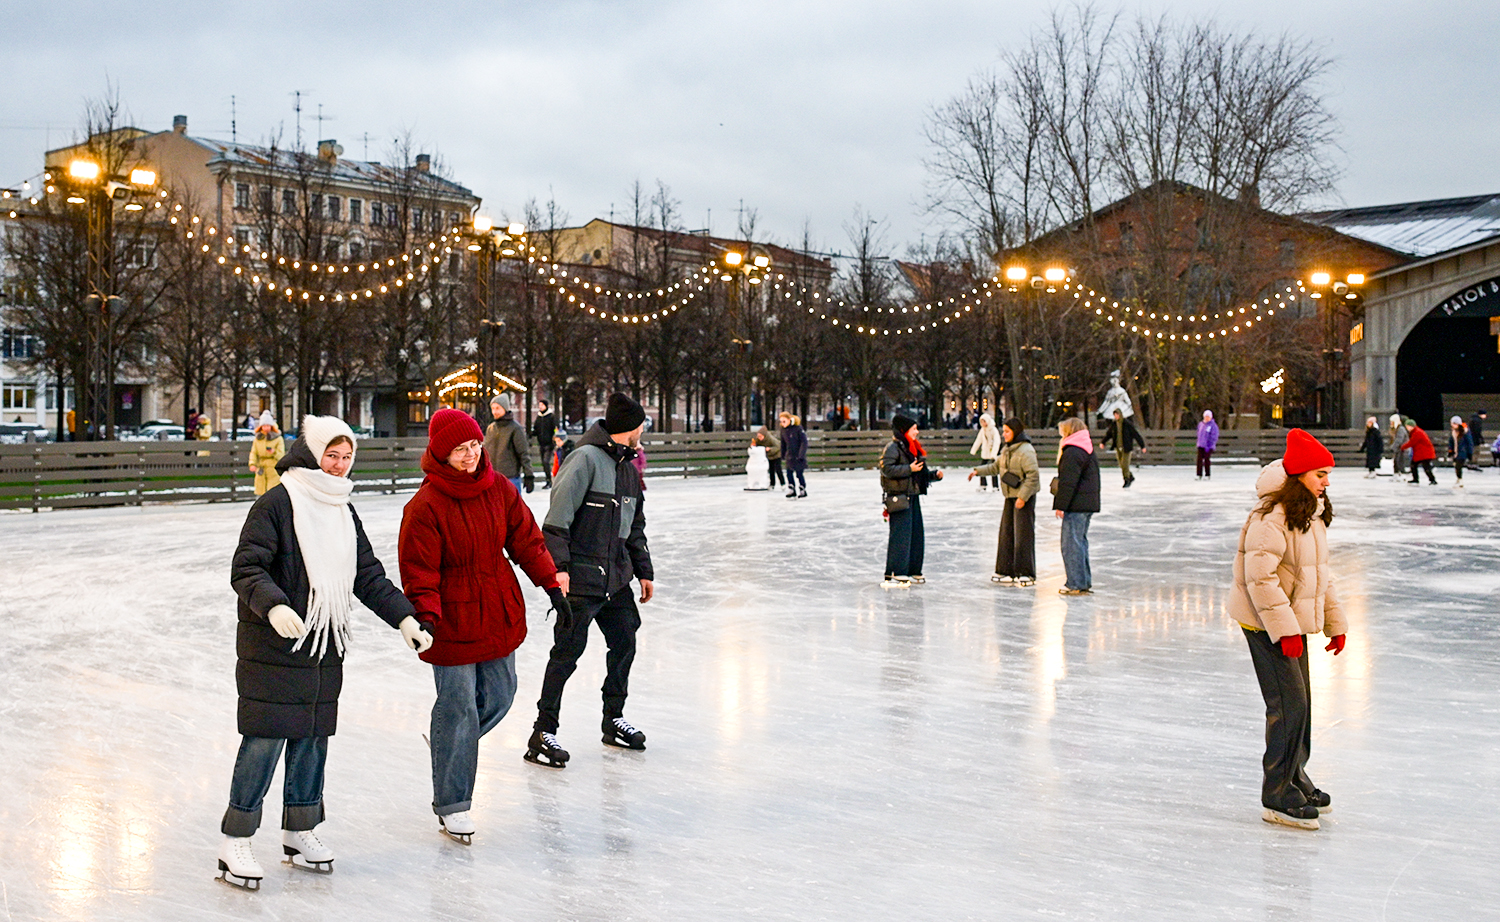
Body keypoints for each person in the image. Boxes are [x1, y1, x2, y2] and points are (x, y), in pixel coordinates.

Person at [221, 416, 431, 889]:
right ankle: (235, 838)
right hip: (274, 644)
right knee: (266, 738)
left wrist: (404, 618)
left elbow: (367, 575)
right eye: (330, 456)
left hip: (323, 642)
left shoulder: (342, 509)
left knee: (313, 736)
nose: (338, 466)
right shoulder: (276, 504)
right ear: (312, 454)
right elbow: (246, 567)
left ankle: (300, 829)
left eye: (346, 457)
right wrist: (272, 606)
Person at [398, 408, 563, 843]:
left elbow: (526, 538)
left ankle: (447, 742)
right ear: (441, 454)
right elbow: (419, 571)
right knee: (458, 707)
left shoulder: (498, 491)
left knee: (501, 695)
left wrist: (550, 582)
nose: (470, 455)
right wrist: (425, 616)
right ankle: (453, 804)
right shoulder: (424, 506)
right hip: (450, 618)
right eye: (459, 450)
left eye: (474, 446)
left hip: (495, 608)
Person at [1229, 428, 1347, 831]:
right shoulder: (1270, 519)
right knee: (1287, 703)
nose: (1327, 482)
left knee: (1304, 702)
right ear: (1299, 476)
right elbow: (1259, 579)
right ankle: (1276, 792)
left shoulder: (1309, 516)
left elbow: (1319, 577)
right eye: (1320, 475)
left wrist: (1335, 623)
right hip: (1264, 622)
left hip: (1289, 621)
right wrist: (1285, 629)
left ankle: (1295, 775)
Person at [530, 393, 656, 765]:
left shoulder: (629, 471)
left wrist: (644, 571)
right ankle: (543, 732)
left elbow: (634, 529)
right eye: (640, 426)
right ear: (629, 428)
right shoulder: (583, 460)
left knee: (624, 645)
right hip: (582, 579)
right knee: (566, 655)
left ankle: (613, 719)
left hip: (616, 580)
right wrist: (560, 569)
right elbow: (556, 521)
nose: (642, 432)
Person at [969, 418, 1039, 586]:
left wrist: (1023, 497)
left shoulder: (1025, 450)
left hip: (1024, 498)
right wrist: (977, 471)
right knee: (1006, 533)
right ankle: (1005, 570)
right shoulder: (1007, 450)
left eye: (1007, 431)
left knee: (1023, 535)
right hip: (1010, 496)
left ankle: (1025, 573)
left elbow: (1033, 476)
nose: (1004, 434)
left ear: (1015, 432)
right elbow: (995, 467)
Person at [880, 415, 941, 587]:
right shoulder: (893, 448)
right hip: (899, 498)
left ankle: (913, 570)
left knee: (915, 535)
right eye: (914, 428)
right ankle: (896, 571)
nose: (917, 431)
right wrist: (909, 468)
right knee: (901, 536)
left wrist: (933, 475)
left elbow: (919, 473)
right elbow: (887, 469)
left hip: (912, 496)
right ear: (903, 431)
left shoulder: (913, 448)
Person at [1053, 417, 1100, 595]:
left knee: (1071, 545)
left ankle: (1075, 583)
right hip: (1086, 503)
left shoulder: (1073, 451)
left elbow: (1068, 482)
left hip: (1077, 504)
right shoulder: (1086, 448)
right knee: (1080, 543)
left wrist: (1061, 505)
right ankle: (1083, 581)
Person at [483, 393, 533, 493]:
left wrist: (529, 475)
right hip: (492, 477)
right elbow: (485, 452)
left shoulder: (515, 428)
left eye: (497, 408)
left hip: (510, 478)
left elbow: (523, 453)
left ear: (505, 408)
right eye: (493, 408)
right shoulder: (491, 428)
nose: (494, 411)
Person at [1102, 408, 1146, 488]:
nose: (1116, 416)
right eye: (1115, 415)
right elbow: (1109, 434)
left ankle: (1126, 480)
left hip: (1126, 447)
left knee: (1125, 464)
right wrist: (1103, 442)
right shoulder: (1114, 424)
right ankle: (1130, 476)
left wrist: (1142, 445)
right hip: (1118, 448)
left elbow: (1136, 434)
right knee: (1121, 465)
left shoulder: (1127, 424)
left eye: (1117, 414)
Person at [249, 411, 286, 496]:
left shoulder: (278, 439)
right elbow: (254, 452)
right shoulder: (258, 439)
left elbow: (281, 455)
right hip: (261, 468)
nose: (266, 428)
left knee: (273, 491)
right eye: (264, 426)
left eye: (268, 426)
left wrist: (274, 452)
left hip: (273, 468)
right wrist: (252, 464)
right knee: (260, 491)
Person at [969, 413, 1002, 491]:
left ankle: (995, 486)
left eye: (985, 421)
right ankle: (983, 484)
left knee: (993, 469)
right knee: (982, 468)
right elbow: (978, 440)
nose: (984, 424)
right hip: (985, 452)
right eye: (982, 422)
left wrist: (994, 453)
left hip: (992, 452)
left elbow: (997, 441)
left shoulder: (993, 430)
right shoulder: (982, 430)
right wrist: (973, 450)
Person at [1399, 420, 1438, 485]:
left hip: (1425, 454)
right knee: (1414, 465)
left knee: (1425, 467)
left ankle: (1432, 480)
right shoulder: (1415, 431)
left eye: (1407, 426)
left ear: (1411, 426)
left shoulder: (1417, 432)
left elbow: (1412, 442)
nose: (1406, 428)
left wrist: (1402, 447)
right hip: (1421, 453)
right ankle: (1416, 479)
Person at [780, 411, 808, 499]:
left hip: (798, 456)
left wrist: (801, 454)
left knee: (799, 474)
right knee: (789, 473)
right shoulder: (783, 430)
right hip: (790, 456)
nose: (782, 423)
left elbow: (804, 442)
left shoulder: (798, 429)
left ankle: (802, 489)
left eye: (784, 421)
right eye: (781, 421)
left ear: (789, 420)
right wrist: (783, 454)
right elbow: (783, 443)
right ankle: (792, 489)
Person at [532, 399, 558, 489]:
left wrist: (554, 439)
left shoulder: (551, 417)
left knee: (546, 462)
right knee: (543, 463)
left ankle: (549, 481)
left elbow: (554, 428)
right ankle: (548, 480)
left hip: (549, 444)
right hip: (541, 443)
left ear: (546, 406)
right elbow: (536, 429)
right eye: (539, 405)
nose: (540, 407)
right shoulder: (539, 417)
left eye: (542, 405)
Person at [1447, 415, 1474, 487]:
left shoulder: (1465, 432)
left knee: (1458, 466)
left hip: (1462, 452)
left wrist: (1470, 453)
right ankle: (1459, 479)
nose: (1451, 425)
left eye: (1453, 423)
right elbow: (1451, 442)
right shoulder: (1453, 432)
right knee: (1456, 466)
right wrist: (1450, 450)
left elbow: (1469, 442)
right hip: (1456, 453)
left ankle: (1460, 479)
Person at [1196, 410, 1219, 479]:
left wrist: (1209, 445)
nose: (1207, 418)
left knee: (1206, 459)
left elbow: (1214, 436)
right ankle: (1199, 474)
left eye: (1208, 416)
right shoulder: (1201, 424)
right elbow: (1199, 434)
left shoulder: (1213, 426)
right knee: (1199, 460)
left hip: (1208, 446)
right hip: (1201, 445)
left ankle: (1207, 474)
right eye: (1206, 416)